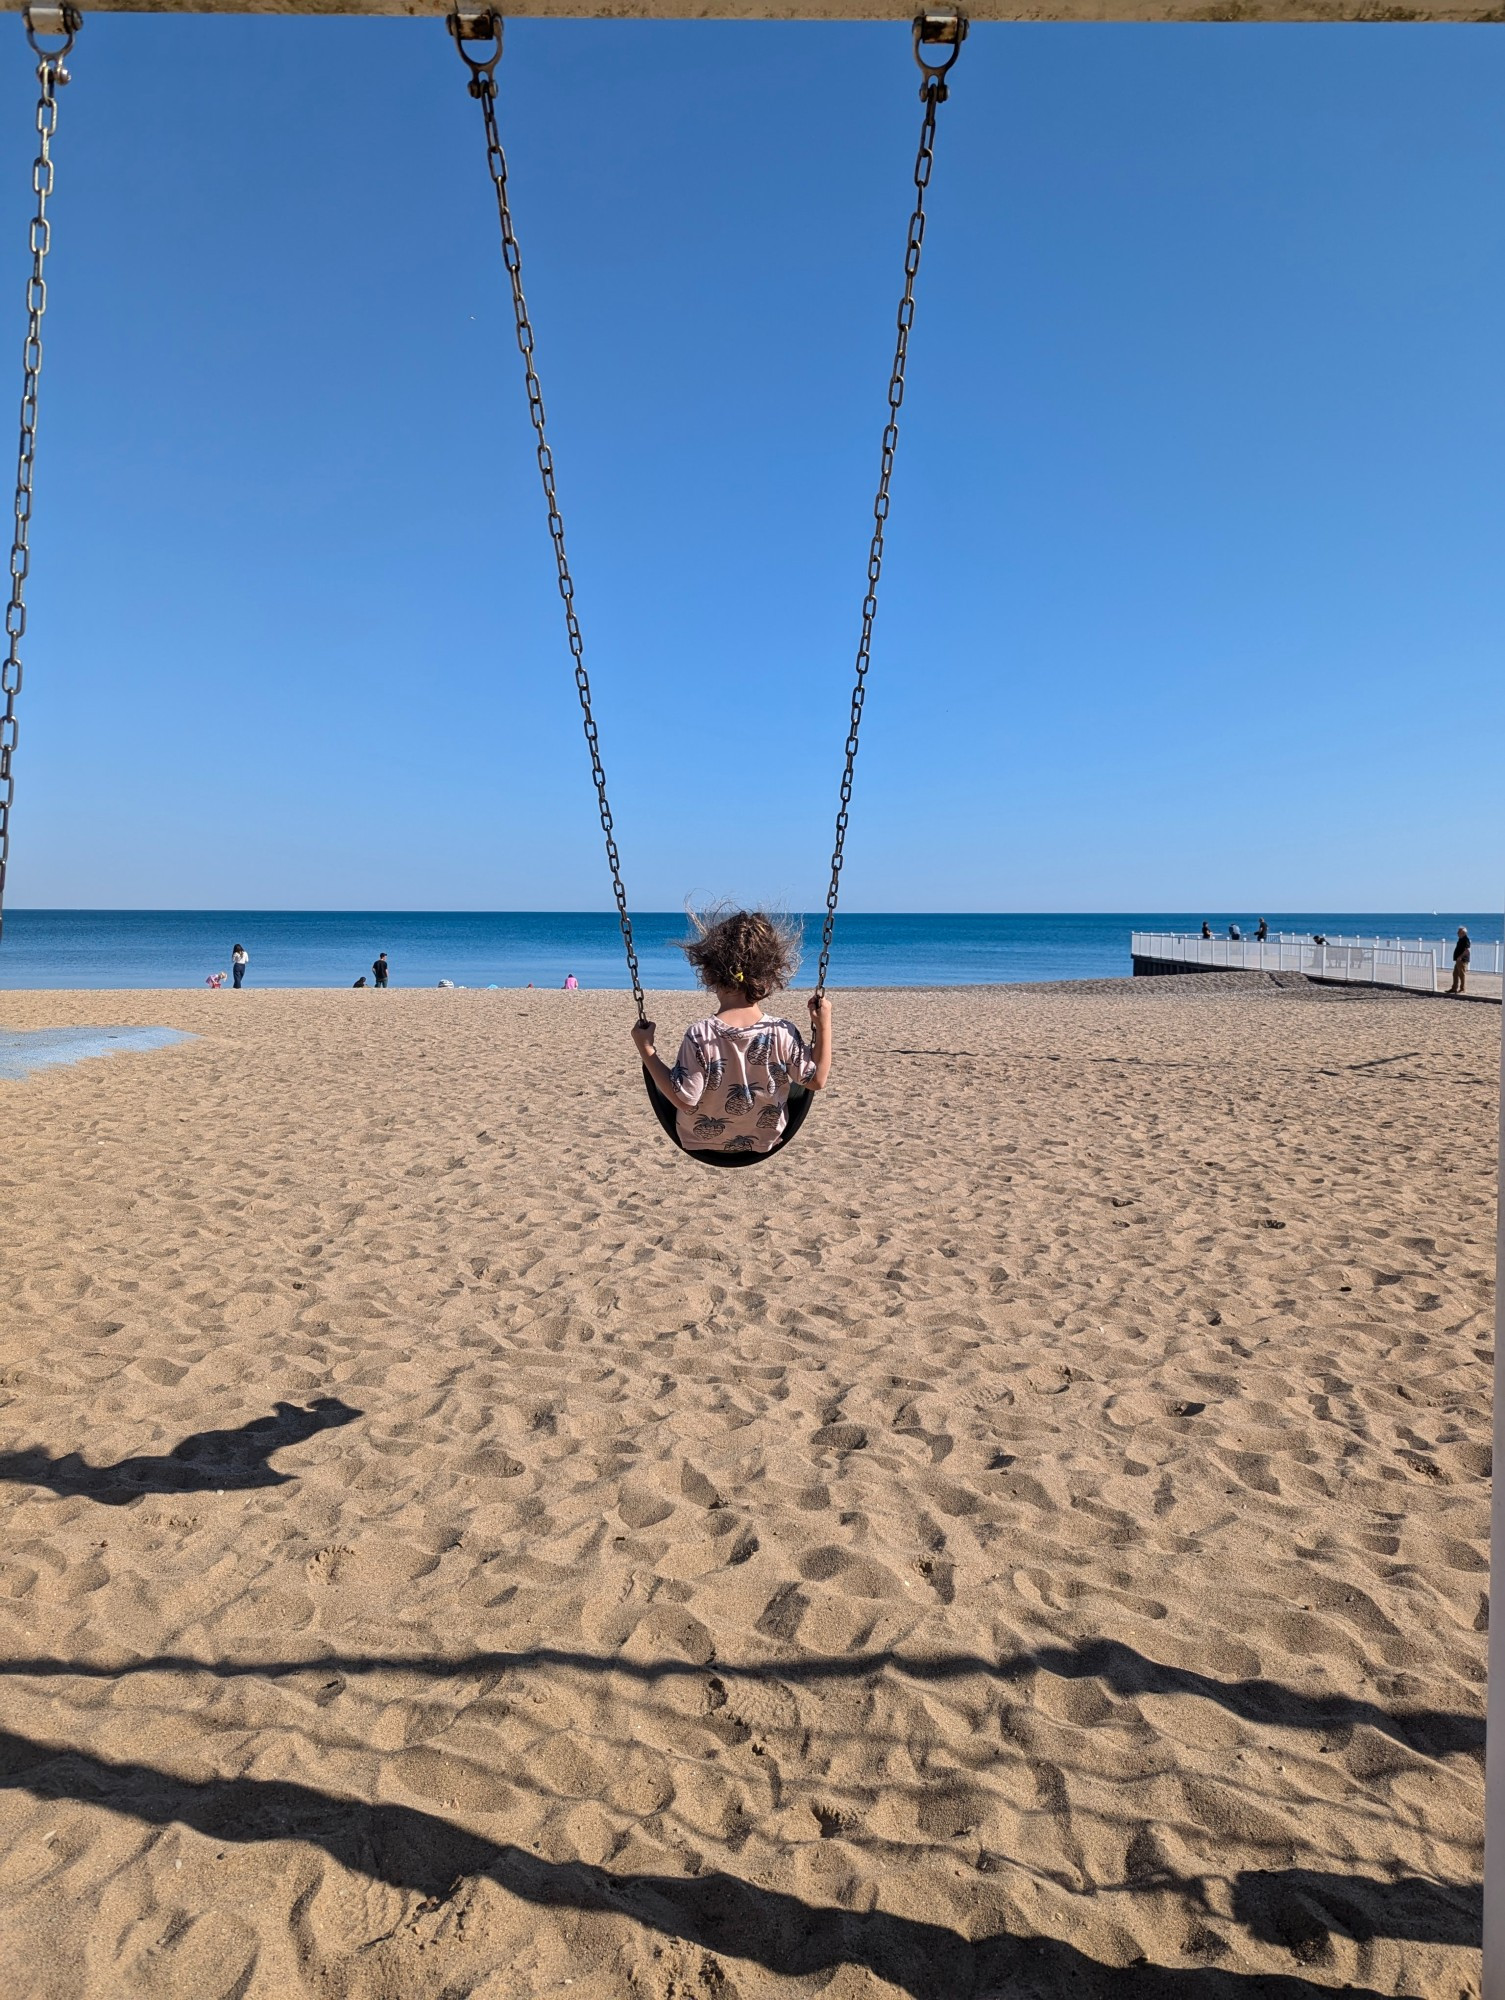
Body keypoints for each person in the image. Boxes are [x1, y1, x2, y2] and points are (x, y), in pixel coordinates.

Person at [631, 909, 833, 1156]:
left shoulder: (700, 1035)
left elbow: (684, 1100)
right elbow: (816, 1080)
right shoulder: (783, 1032)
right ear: (771, 977)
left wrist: (647, 1050)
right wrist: (823, 1025)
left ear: (708, 973)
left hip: (698, 1139)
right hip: (765, 1139)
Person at [1450, 926, 1471, 995]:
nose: (1457, 933)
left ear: (1463, 933)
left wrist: (1460, 957)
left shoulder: (1466, 940)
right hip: (1458, 960)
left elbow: (1467, 950)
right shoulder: (1460, 939)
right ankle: (1454, 988)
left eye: (1459, 932)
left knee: (1462, 974)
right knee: (1455, 973)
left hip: (1462, 960)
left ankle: (1462, 989)